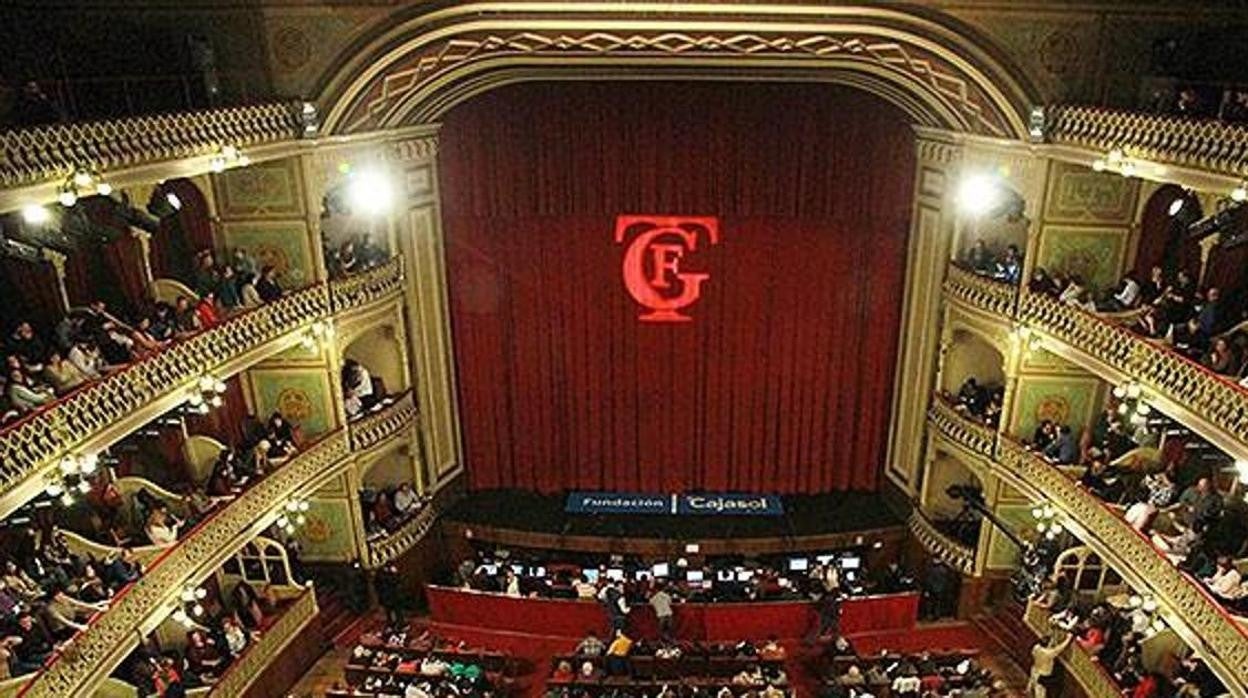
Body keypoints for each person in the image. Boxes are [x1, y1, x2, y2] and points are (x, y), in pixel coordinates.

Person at [1027, 631, 1072, 698]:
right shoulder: (1048, 653)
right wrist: (1068, 638)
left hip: (1035, 671)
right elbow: (1061, 648)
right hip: (1043, 677)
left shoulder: (1036, 648)